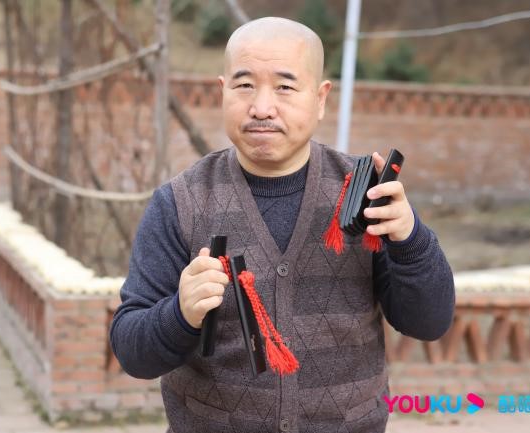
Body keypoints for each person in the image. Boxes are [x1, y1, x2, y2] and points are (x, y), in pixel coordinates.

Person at [110, 17, 455, 433]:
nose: (261, 107)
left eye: (285, 87)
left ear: (320, 99)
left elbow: (429, 323)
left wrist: (410, 239)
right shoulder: (181, 202)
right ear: (222, 92)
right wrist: (180, 313)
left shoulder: (365, 197)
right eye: (244, 85)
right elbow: (131, 351)